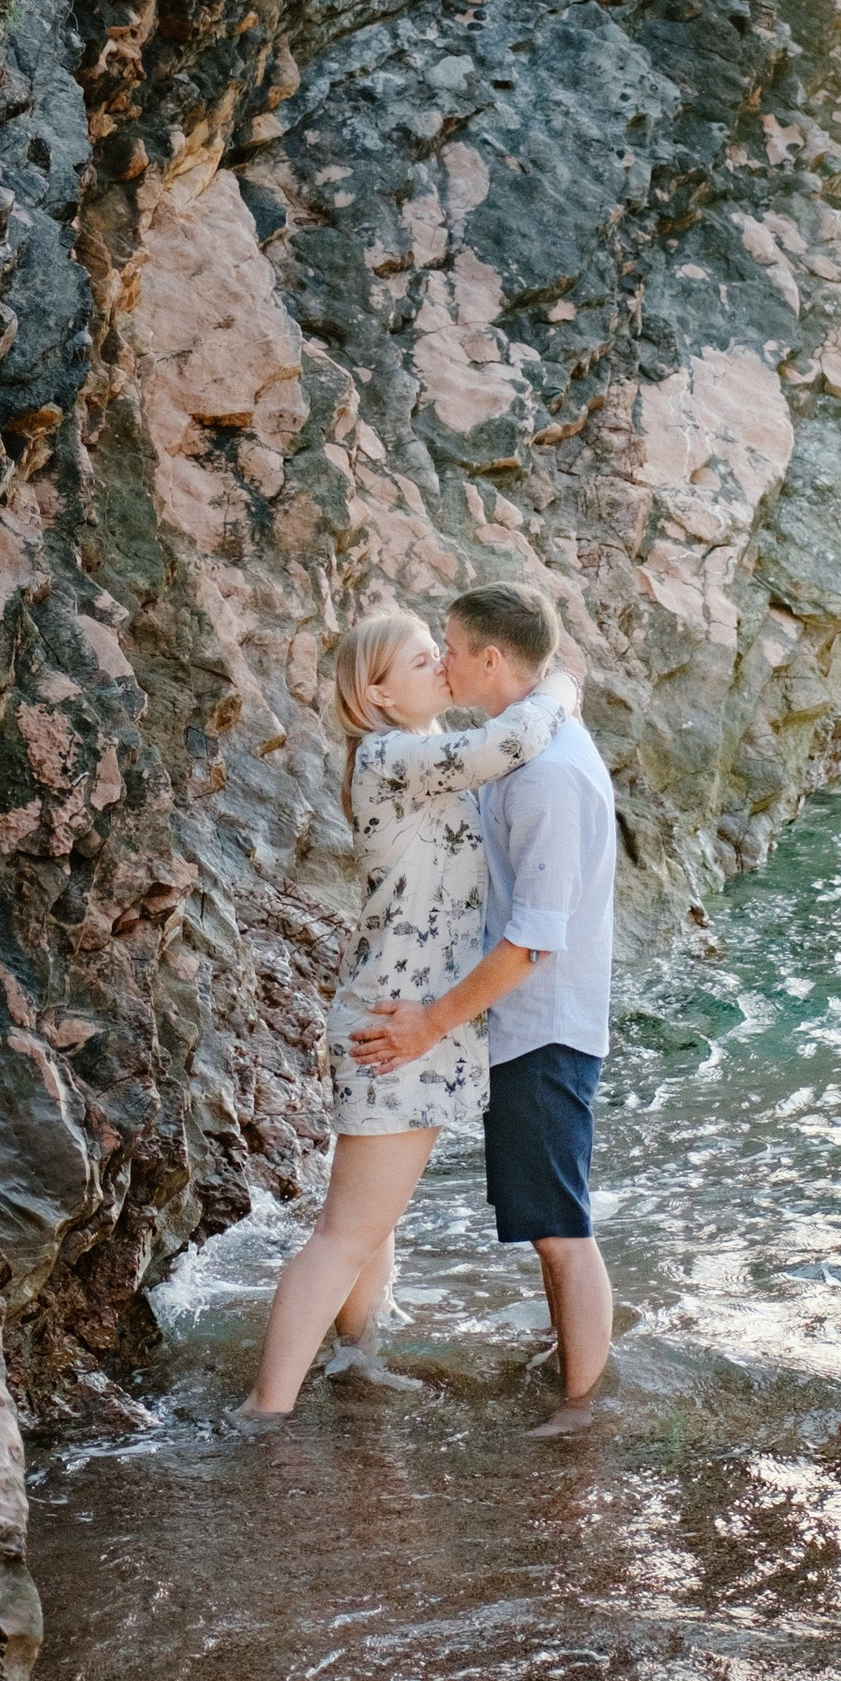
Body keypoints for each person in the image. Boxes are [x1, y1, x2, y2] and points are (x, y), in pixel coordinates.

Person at [240, 608, 569, 1418]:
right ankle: (265, 1410)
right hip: (395, 1024)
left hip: (406, 1014)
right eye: (423, 661)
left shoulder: (412, 754)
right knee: (346, 1231)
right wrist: (559, 688)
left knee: (372, 1225)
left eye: (438, 653)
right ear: (380, 694)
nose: (441, 668)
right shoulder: (392, 756)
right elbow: (510, 743)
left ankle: (355, 1363)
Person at [353, 579, 617, 1434]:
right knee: (546, 1220)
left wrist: (430, 1023)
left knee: (562, 1228)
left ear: (493, 660)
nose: (446, 662)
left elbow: (533, 940)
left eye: (455, 650)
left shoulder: (546, 776)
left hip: (542, 1024)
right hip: (524, 1022)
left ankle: (582, 1411)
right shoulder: (525, 748)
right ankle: (566, 1364)